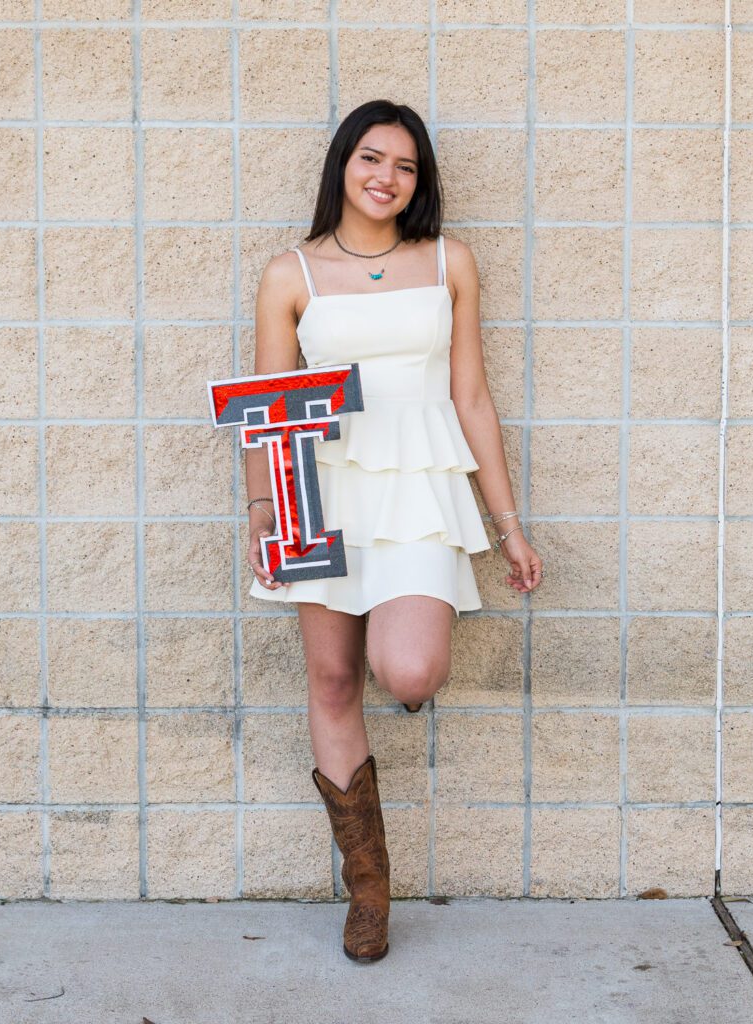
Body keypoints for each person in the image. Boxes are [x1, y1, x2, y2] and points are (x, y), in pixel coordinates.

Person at [244, 99, 544, 963]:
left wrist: (508, 525)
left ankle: (400, 660)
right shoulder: (289, 274)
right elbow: (270, 410)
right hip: (322, 491)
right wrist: (265, 512)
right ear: (342, 164)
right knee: (332, 680)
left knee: (408, 666)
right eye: (372, 159)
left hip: (415, 485)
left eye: (406, 166)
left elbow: (471, 396)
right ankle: (368, 890)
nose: (387, 178)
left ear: (421, 181)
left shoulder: (448, 260)